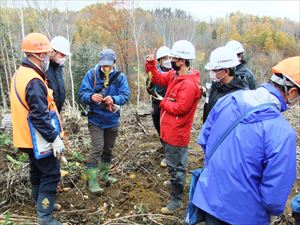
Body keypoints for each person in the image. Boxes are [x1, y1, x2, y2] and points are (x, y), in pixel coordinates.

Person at [192, 56, 299, 225]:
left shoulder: (228, 100)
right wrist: (273, 212)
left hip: (210, 198)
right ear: (292, 92)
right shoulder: (283, 133)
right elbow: (274, 194)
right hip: (245, 215)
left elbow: (204, 140)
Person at [10, 33, 66, 225]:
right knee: (51, 174)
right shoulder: (33, 80)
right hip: (37, 138)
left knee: (37, 171)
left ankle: (42, 205)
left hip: (25, 137)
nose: (48, 58)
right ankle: (45, 217)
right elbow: (39, 115)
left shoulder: (21, 73)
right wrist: (55, 138)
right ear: (40, 55)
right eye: (46, 54)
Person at [145, 40, 202, 215]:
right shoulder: (174, 75)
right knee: (172, 162)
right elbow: (157, 78)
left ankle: (176, 199)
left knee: (177, 166)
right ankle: (174, 181)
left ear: (182, 61)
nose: (171, 61)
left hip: (177, 133)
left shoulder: (189, 84)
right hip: (168, 130)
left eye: (174, 58)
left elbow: (180, 108)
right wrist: (150, 64)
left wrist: (163, 102)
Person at [79, 48, 130, 194]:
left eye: (109, 64)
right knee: (97, 148)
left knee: (108, 148)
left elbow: (125, 95)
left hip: (112, 119)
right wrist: (91, 97)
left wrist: (114, 99)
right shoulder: (92, 74)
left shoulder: (120, 77)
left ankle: (104, 174)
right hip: (95, 119)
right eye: (103, 64)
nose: (105, 67)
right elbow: (82, 93)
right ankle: (92, 180)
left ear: (114, 62)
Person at [202, 46, 248, 123]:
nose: (211, 73)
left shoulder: (238, 97)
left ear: (226, 71)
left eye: (214, 70)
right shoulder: (217, 86)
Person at [146, 46, 171, 168]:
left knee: (169, 131)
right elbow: (149, 87)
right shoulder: (155, 72)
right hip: (157, 104)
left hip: (170, 105)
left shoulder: (175, 73)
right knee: (160, 130)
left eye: (170, 57)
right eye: (165, 58)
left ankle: (169, 154)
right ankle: (165, 148)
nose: (168, 60)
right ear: (160, 60)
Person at [46, 36, 72, 113]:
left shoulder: (58, 68)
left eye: (65, 55)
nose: (64, 58)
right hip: (47, 114)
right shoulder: (44, 68)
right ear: (52, 52)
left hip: (57, 112)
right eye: (62, 55)